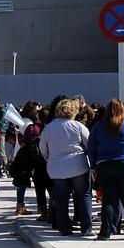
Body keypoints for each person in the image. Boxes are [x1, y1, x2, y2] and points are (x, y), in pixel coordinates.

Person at [87, 99, 124, 241]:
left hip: (105, 165)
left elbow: (91, 148)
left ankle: (105, 233)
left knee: (109, 200)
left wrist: (93, 166)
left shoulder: (99, 127)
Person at [40, 99, 92, 237]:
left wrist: (50, 158)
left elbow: (42, 148)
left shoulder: (49, 127)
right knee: (84, 196)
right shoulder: (78, 126)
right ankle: (86, 228)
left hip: (57, 169)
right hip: (78, 167)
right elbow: (89, 144)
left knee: (61, 199)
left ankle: (64, 228)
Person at [10, 126, 37, 215]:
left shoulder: (28, 127)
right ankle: (21, 207)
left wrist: (19, 135)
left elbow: (23, 142)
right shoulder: (33, 127)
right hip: (28, 159)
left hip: (22, 158)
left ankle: (20, 206)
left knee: (21, 184)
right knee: (24, 184)